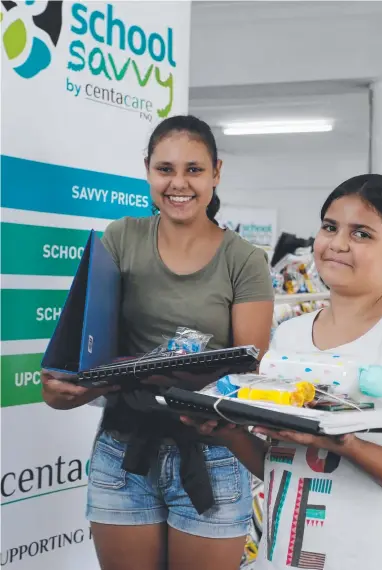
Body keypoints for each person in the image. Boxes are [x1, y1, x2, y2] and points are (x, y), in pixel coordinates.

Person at [41, 115, 274, 570]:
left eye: (194, 169)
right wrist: (66, 385)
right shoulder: (120, 238)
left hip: (212, 456)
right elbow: (90, 348)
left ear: (216, 173)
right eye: (165, 169)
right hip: (123, 451)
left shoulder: (244, 260)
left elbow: (247, 376)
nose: (178, 183)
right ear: (147, 169)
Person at [184, 174, 382, 570]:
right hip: (281, 558)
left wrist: (343, 442)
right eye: (330, 227)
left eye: (361, 234)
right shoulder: (289, 335)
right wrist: (229, 433)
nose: (337, 243)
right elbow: (282, 462)